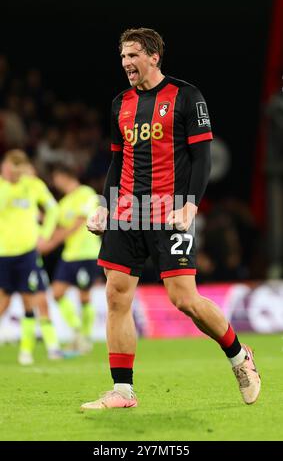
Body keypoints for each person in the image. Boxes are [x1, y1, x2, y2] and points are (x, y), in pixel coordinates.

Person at [82, 28, 261, 410]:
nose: (126, 63)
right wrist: (105, 204)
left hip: (170, 211)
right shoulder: (119, 104)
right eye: (123, 57)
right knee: (116, 295)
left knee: (184, 299)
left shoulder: (186, 96)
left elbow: (204, 158)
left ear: (154, 56)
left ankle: (239, 357)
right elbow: (118, 160)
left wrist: (192, 204)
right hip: (128, 212)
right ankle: (123, 391)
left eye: (133, 55)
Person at [0, 150, 61, 364]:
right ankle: (47, 348)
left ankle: (26, 351)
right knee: (3, 302)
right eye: (9, 167)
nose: (12, 172)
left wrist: (44, 235)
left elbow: (53, 209)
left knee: (30, 300)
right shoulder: (2, 187)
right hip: (3, 252)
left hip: (27, 252)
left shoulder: (33, 185)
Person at [39, 163, 101, 353]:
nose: (55, 183)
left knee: (84, 296)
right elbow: (53, 222)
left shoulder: (86, 193)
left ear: (64, 176)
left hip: (86, 253)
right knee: (57, 293)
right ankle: (76, 331)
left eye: (56, 178)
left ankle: (86, 337)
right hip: (70, 255)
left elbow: (78, 223)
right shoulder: (64, 203)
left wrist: (50, 244)